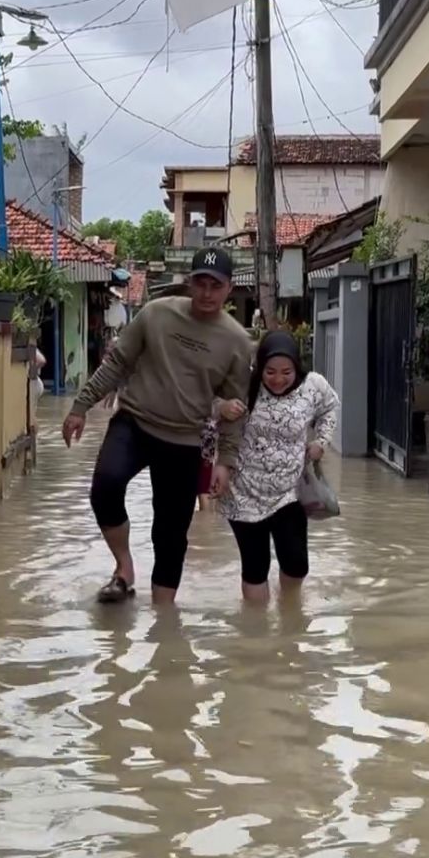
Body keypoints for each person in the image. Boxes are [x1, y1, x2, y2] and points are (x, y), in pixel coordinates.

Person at [62, 248, 252, 605]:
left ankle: (164, 620)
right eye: (200, 283)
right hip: (134, 423)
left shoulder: (237, 342)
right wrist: (80, 406)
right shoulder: (155, 314)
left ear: (229, 289)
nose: (207, 293)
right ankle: (124, 567)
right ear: (189, 283)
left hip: (184, 440)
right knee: (105, 485)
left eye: (216, 285)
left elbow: (234, 409)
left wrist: (226, 463)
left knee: (170, 532)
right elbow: (117, 362)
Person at [219, 330, 339, 603]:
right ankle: (257, 635)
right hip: (243, 493)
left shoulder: (313, 386)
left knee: (297, 565)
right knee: (254, 569)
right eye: (270, 371)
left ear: (297, 366)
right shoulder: (242, 385)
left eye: (287, 372)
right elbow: (204, 402)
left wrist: (321, 441)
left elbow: (330, 407)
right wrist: (221, 407)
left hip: (290, 492)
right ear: (260, 367)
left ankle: (290, 614)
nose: (278, 379)